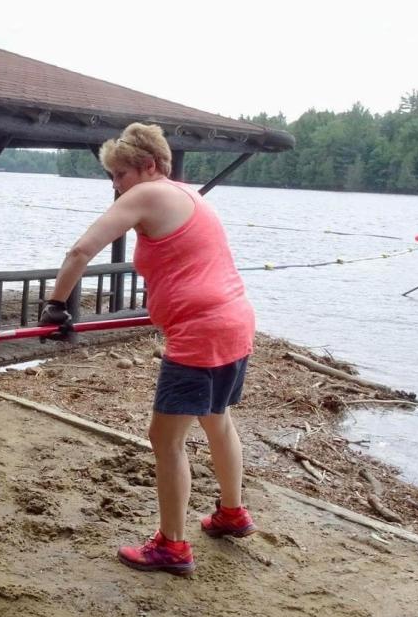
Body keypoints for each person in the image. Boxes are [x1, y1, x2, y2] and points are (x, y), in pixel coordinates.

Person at [40, 122, 256, 577]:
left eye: (119, 175)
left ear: (149, 166)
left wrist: (56, 305)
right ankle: (232, 514)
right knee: (218, 420)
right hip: (234, 321)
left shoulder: (147, 194)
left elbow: (81, 251)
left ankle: (172, 548)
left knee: (165, 439)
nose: (115, 187)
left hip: (200, 332)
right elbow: (186, 265)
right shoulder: (191, 197)